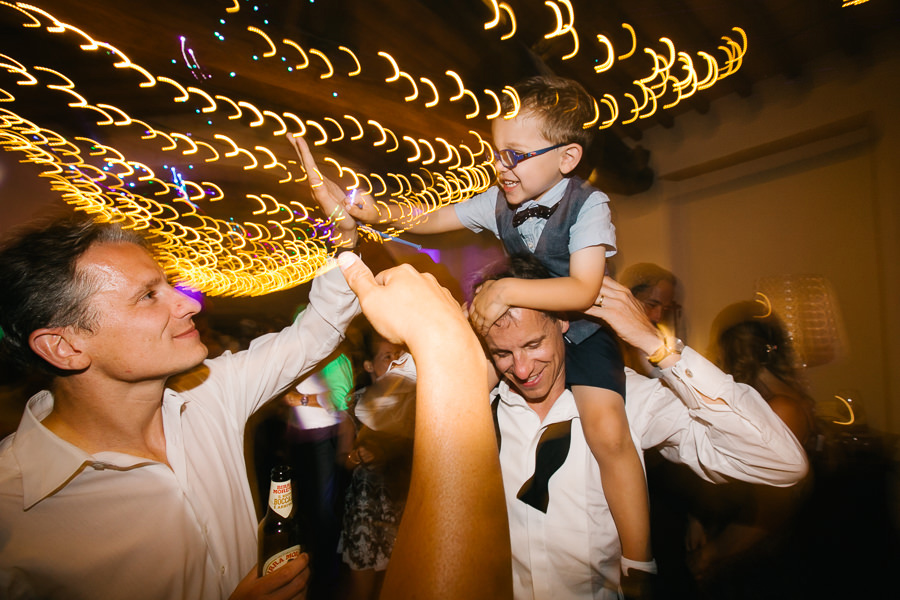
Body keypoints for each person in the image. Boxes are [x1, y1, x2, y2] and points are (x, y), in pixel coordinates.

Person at [0, 214, 513, 600]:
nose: (189, 302)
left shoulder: (210, 393)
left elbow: (313, 332)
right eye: (148, 297)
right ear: (64, 346)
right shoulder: (14, 510)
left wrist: (345, 239)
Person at [289, 74, 653, 578]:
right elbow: (432, 217)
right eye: (495, 153)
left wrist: (505, 290)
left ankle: (640, 566)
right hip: (520, 329)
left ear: (567, 158)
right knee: (453, 398)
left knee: (609, 433)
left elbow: (583, 290)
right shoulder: (499, 201)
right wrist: (375, 212)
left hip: (584, 332)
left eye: (515, 155)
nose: (500, 167)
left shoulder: (589, 204)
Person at [476, 256, 808, 600]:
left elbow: (781, 462)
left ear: (562, 321)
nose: (523, 367)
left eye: (533, 345)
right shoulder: (473, 400)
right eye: (503, 352)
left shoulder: (626, 398)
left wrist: (656, 345)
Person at [339, 326, 415, 600]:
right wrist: (355, 457)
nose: (395, 361)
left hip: (401, 502)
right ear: (369, 365)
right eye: (387, 357)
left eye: (398, 354)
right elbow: (344, 459)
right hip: (366, 510)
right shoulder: (356, 403)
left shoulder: (415, 399)